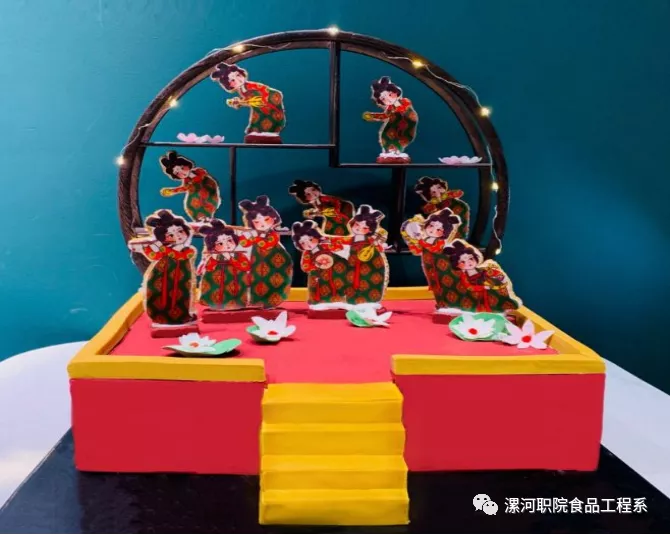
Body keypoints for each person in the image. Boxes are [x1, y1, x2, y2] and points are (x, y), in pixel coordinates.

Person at [128, 210, 197, 326]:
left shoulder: (187, 250)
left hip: (182, 278)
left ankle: (182, 316)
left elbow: (182, 256)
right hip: (161, 275)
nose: (178, 236)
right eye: (171, 235)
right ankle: (160, 317)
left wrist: (161, 247)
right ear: (163, 237)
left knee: (182, 295)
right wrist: (145, 248)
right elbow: (153, 256)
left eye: (180, 231)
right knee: (160, 295)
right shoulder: (162, 248)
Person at [237, 195, 293, 307]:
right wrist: (246, 236)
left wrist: (254, 238)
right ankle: (255, 300)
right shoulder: (253, 233)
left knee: (272, 279)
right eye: (257, 222)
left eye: (266, 219)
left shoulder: (272, 234)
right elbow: (244, 243)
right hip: (257, 258)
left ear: (274, 218)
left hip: (274, 258)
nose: (263, 224)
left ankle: (271, 300)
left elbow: (268, 243)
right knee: (256, 278)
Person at [402, 208, 462, 310]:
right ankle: (441, 304)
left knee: (447, 286)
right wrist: (411, 241)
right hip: (430, 269)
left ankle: (452, 304)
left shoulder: (440, 242)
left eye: (438, 230)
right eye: (431, 226)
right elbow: (417, 251)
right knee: (435, 287)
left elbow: (433, 249)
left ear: (444, 233)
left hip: (443, 269)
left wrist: (420, 241)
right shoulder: (424, 239)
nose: (432, 230)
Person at [211, 63, 286, 143]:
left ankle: (269, 132)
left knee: (267, 116)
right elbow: (248, 100)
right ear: (229, 85)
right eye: (232, 80)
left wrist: (243, 102)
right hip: (259, 104)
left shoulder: (250, 86)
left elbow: (260, 94)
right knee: (257, 117)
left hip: (269, 98)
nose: (238, 80)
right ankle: (259, 133)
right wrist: (239, 102)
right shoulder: (241, 89)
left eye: (238, 75)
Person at [443, 240, 521, 314]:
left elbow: (492, 272)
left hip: (490, 290)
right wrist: (483, 288)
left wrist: (499, 277)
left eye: (471, 258)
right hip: (476, 295)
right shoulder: (464, 276)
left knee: (499, 294)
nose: (469, 262)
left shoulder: (482, 269)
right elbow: (469, 287)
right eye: (463, 261)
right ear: (457, 265)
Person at [291, 220, 350, 307]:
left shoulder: (325, 245)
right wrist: (316, 265)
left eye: (310, 239)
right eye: (303, 243)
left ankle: (339, 301)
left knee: (337, 285)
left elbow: (339, 247)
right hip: (317, 275)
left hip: (333, 271)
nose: (308, 244)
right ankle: (318, 303)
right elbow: (305, 266)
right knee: (318, 289)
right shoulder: (307, 253)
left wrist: (329, 240)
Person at [340, 205, 389, 305]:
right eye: (357, 225)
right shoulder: (350, 239)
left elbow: (381, 239)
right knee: (350, 280)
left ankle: (371, 302)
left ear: (370, 230)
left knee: (370, 281)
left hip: (370, 263)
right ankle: (352, 302)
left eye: (365, 227)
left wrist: (378, 244)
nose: (358, 228)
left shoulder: (372, 241)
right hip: (352, 263)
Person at [197, 219, 251, 310]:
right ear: (213, 246)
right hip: (217, 282)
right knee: (215, 289)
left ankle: (237, 304)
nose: (227, 245)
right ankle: (215, 304)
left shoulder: (239, 255)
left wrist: (231, 259)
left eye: (229, 240)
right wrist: (212, 260)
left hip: (236, 281)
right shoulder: (214, 256)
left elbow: (246, 266)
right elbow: (209, 268)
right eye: (220, 243)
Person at [362, 76, 418, 162]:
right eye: (383, 99)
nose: (388, 99)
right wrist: (373, 116)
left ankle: (397, 151)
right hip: (394, 124)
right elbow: (385, 116)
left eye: (390, 95)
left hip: (406, 123)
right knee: (385, 135)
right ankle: (390, 151)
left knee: (402, 137)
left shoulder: (404, 101)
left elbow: (404, 110)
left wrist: (396, 110)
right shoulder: (390, 108)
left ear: (395, 92)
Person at [159, 151, 221, 222]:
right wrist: (173, 191)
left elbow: (201, 176)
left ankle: (207, 219)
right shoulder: (187, 180)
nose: (182, 173)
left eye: (182, 168)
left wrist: (192, 182)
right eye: (177, 173)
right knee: (190, 205)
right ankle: (199, 221)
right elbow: (185, 188)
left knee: (206, 206)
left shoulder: (198, 171)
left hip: (208, 192)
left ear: (187, 165)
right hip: (196, 197)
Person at [288, 179, 354, 236]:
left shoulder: (324, 198)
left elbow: (336, 202)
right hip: (331, 216)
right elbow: (321, 210)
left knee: (336, 227)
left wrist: (335, 210)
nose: (313, 193)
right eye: (308, 194)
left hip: (340, 213)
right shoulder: (316, 202)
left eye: (313, 189)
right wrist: (314, 213)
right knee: (329, 228)